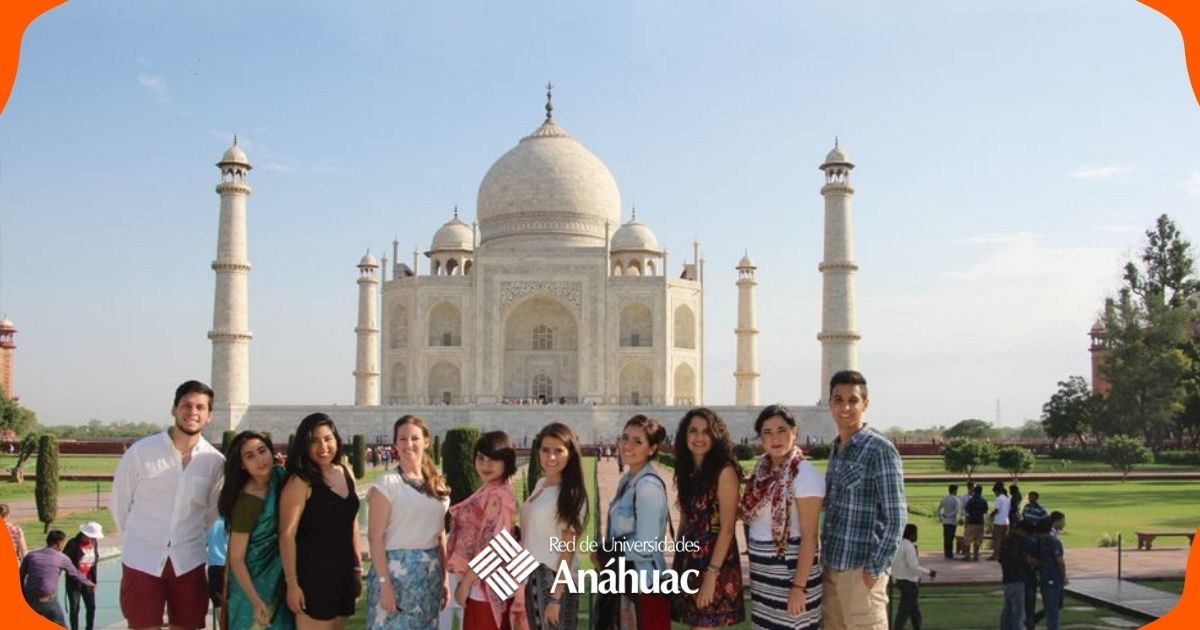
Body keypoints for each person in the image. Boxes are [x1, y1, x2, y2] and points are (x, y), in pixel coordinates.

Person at [110, 380, 224, 630]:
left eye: (200, 407)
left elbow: (211, 513)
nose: (192, 412)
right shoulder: (142, 453)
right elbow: (120, 504)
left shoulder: (215, 462)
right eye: (186, 405)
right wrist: (135, 541)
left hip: (188, 559)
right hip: (142, 558)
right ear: (174, 409)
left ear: (209, 415)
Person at [820, 371, 906, 630]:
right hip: (832, 569)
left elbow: (897, 517)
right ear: (830, 403)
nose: (845, 407)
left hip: (860, 573)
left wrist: (873, 570)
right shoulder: (837, 450)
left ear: (865, 404)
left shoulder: (879, 449)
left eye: (853, 400)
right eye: (838, 400)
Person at [740, 404, 823, 630]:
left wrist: (799, 587)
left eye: (781, 430)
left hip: (791, 575)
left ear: (794, 432)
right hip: (764, 578)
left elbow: (810, 537)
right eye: (767, 432)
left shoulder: (805, 475)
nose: (775, 438)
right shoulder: (761, 473)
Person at [366, 415, 451, 630]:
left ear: (426, 442)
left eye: (414, 438)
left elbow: (440, 536)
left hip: (429, 576)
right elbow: (375, 538)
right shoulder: (386, 485)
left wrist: (445, 579)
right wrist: (384, 586)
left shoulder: (437, 485)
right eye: (402, 439)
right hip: (395, 575)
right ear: (395, 443)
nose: (408, 444)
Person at [279, 412, 363, 629]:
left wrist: (357, 568)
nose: (323, 446)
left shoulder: (346, 472)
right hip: (313, 576)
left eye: (328, 439)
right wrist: (292, 584)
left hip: (343, 573)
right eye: (314, 441)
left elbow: (352, 522)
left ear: (336, 440)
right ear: (304, 445)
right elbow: (287, 534)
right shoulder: (301, 481)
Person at [670, 407, 746, 629]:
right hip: (691, 561)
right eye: (693, 431)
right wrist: (679, 562)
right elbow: (686, 519)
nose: (699, 437)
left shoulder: (724, 472)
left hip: (715, 562)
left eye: (706, 431)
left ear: (716, 435)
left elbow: (727, 528)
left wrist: (712, 575)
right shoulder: (689, 471)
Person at [218, 431, 294, 629]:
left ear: (271, 451)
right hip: (253, 585)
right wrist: (256, 600)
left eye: (262, 451)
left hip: (280, 579)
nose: (260, 460)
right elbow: (236, 557)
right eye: (250, 456)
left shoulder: (282, 479)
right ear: (242, 464)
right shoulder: (247, 501)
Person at [447, 431, 519, 630]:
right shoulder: (490, 489)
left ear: (506, 462)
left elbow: (496, 547)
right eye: (481, 458)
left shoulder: (498, 496)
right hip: (484, 586)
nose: (485, 465)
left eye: (493, 460)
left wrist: (465, 584)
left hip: (486, 589)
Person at [606, 415, 671, 630]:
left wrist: (609, 551)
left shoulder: (648, 487)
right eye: (625, 438)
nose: (627, 446)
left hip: (645, 585)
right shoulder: (628, 481)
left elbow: (647, 545)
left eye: (637, 441)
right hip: (627, 580)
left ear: (651, 449)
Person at [522, 422, 588, 630]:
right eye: (545, 450)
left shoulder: (571, 494)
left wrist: (556, 598)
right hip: (534, 576)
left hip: (555, 580)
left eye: (558, 451)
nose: (551, 457)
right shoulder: (541, 484)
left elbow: (568, 550)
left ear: (570, 454)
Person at [20, 529, 97, 625]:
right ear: (58, 544)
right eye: (63, 543)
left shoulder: (31, 555)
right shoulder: (62, 558)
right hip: (47, 599)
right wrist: (88, 582)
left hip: (29, 599)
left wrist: (23, 595)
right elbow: (75, 573)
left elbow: (21, 575)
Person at [889, 524, 934, 630]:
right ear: (912, 534)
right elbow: (913, 566)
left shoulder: (898, 545)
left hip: (900, 581)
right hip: (909, 583)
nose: (917, 536)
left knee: (914, 611)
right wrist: (928, 572)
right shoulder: (909, 547)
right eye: (916, 533)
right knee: (903, 612)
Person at [63, 522, 105, 630]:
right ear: (85, 534)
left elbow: (96, 558)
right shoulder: (73, 543)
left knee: (91, 607)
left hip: (88, 581)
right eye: (92, 537)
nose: (94, 539)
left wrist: (94, 581)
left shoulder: (94, 543)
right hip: (74, 583)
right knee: (75, 609)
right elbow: (64, 561)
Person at [997, 520, 1033, 630]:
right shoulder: (1016, 541)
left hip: (1007, 578)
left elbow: (1002, 559)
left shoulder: (1008, 539)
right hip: (1016, 578)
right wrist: (1026, 560)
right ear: (1021, 530)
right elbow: (1012, 559)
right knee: (1017, 611)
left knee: (1008, 609)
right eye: (1026, 533)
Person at [1032, 519, 1065, 630]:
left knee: (1054, 606)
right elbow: (1060, 561)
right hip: (1051, 579)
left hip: (1048, 578)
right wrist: (1064, 577)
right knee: (1052, 610)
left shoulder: (1043, 542)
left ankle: (1034, 619)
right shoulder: (1049, 542)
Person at [206, 517, 228, 622]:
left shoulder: (210, 522)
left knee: (218, 603)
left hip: (214, 565)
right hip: (231, 565)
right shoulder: (231, 520)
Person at [935, 485, 960, 560]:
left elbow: (939, 508)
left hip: (945, 521)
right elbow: (956, 511)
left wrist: (940, 517)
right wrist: (949, 515)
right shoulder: (956, 499)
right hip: (952, 521)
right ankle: (950, 553)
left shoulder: (944, 498)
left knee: (946, 537)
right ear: (955, 490)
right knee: (951, 537)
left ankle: (946, 553)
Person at [987, 482, 1011, 561]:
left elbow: (996, 510)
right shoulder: (1007, 499)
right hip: (1006, 521)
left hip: (998, 522)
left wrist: (990, 515)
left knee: (997, 540)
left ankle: (996, 555)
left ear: (996, 491)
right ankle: (1003, 555)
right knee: (1004, 540)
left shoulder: (999, 499)